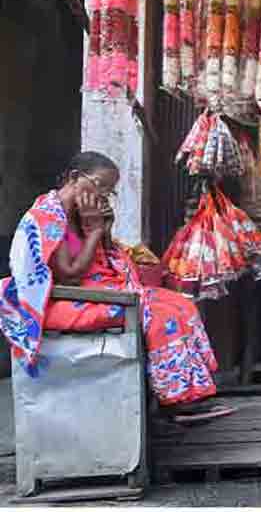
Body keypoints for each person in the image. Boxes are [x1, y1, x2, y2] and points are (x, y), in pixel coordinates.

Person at [0, 151, 230, 420]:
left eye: (109, 192)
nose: (102, 196)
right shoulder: (49, 215)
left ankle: (192, 392)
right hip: (62, 301)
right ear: (75, 177)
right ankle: (175, 401)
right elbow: (71, 275)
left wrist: (104, 229)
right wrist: (95, 230)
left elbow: (104, 259)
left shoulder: (80, 212)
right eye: (99, 186)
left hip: (95, 293)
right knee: (159, 315)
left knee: (181, 304)